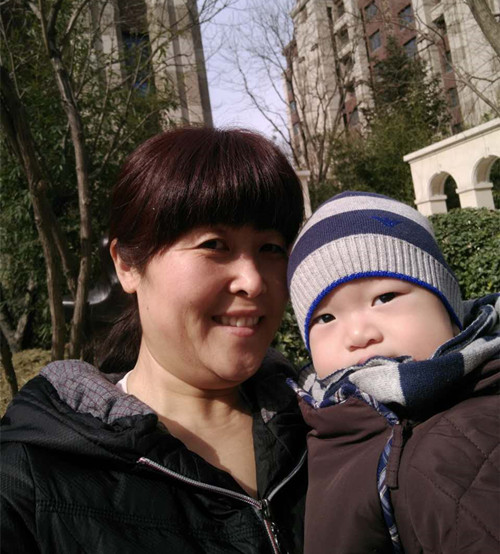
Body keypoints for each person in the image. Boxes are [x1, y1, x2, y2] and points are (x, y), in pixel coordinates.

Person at [1, 127, 309, 554]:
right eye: (214, 244)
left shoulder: (329, 423)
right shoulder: (31, 480)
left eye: (271, 248)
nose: (253, 281)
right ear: (128, 265)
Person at [287, 191, 500, 554]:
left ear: (448, 306)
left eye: (384, 298)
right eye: (326, 318)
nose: (359, 334)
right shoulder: (324, 423)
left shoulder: (472, 429)